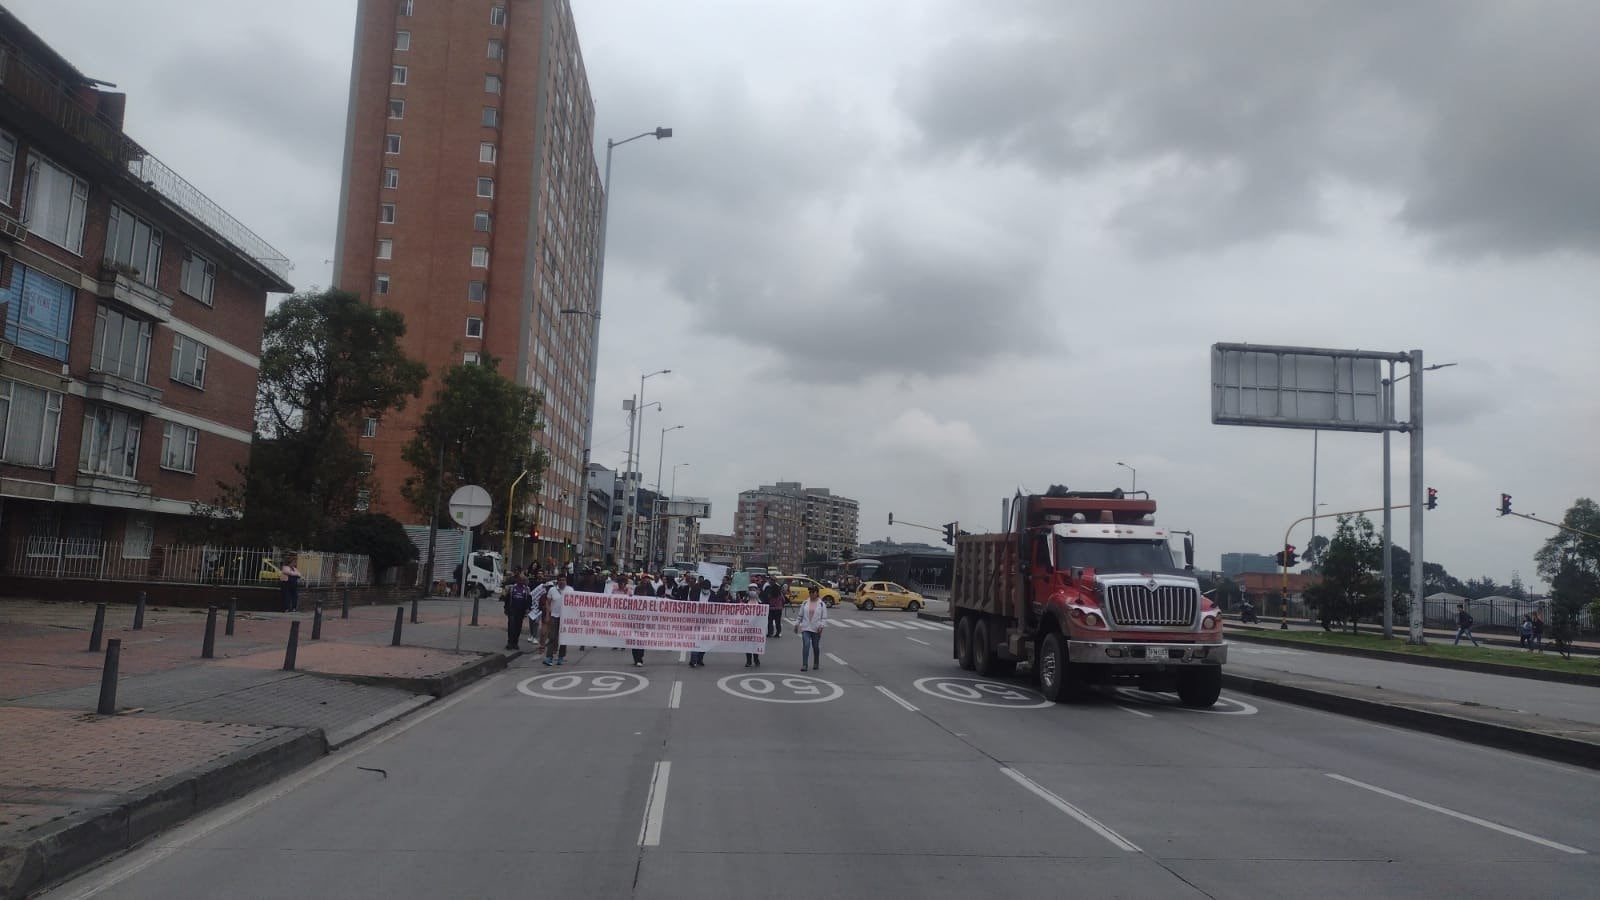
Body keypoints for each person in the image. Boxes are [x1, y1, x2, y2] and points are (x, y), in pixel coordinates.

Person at [794, 584, 827, 671]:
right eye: (810, 592)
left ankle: (816, 662)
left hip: (816, 628)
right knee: (806, 645)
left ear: (817, 593)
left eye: (813, 592)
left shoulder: (821, 604)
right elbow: (800, 616)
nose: (811, 594)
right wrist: (797, 624)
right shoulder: (805, 603)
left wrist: (821, 626)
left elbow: (824, 618)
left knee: (815, 646)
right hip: (806, 628)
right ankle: (804, 664)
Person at [543, 573, 569, 666]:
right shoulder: (552, 590)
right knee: (552, 637)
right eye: (560, 580)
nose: (562, 582)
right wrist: (547, 615)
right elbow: (548, 603)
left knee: (563, 638)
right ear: (557, 581)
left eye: (563, 580)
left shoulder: (570, 590)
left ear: (566, 581)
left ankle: (561, 657)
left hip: (565, 618)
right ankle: (549, 657)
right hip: (554, 616)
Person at [630, 572, 654, 667]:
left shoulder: (651, 589)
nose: (646, 580)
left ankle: (640, 657)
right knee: (634, 638)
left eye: (647, 578)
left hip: (645, 618)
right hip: (636, 617)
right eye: (644, 578)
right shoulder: (637, 588)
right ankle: (636, 658)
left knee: (641, 639)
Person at [505, 575, 533, 650]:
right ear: (517, 580)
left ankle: (515, 642)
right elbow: (507, 598)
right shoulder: (512, 588)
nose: (521, 581)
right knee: (511, 626)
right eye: (519, 579)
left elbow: (529, 600)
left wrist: (528, 608)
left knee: (518, 627)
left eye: (522, 580)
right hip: (512, 610)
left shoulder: (527, 589)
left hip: (521, 611)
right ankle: (510, 642)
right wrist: (506, 608)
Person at [744, 583, 764, 668]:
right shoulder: (745, 601)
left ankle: (756, 659)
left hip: (757, 627)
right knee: (748, 644)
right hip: (747, 626)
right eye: (750, 589)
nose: (752, 591)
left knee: (756, 643)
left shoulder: (760, 602)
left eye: (754, 589)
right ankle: (748, 661)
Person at [759, 574, 785, 638]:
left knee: (770, 621)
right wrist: (782, 605)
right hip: (778, 608)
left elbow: (765, 597)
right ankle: (778, 633)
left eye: (771, 580)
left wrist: (763, 603)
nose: (771, 581)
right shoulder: (778, 588)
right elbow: (782, 598)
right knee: (777, 621)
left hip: (771, 608)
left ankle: (771, 633)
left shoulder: (768, 588)